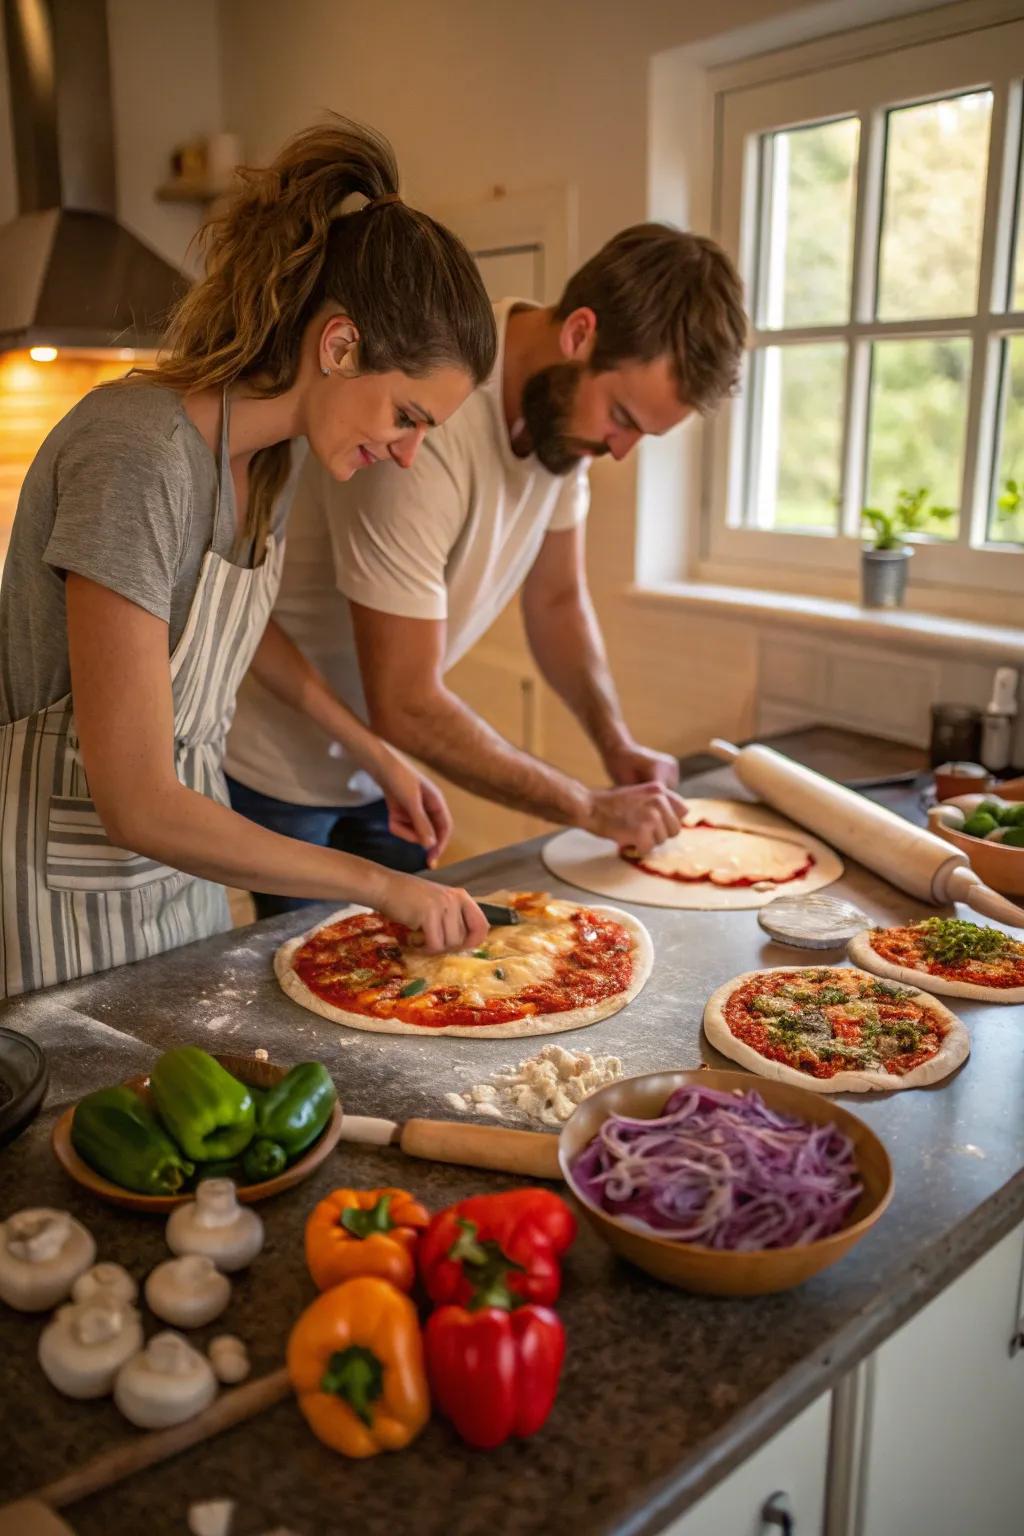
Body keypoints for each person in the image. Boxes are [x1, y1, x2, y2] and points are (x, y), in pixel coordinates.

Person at [0, 116, 498, 998]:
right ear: (340, 345)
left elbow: (235, 638)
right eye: (408, 417)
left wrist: (379, 757)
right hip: (53, 906)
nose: (409, 453)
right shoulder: (136, 455)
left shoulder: (264, 459)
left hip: (177, 889)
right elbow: (139, 802)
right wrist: (381, 885)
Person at [225, 223, 746, 917]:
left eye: (639, 435)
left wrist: (613, 742)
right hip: (280, 760)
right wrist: (587, 806)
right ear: (581, 333)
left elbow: (557, 601)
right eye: (621, 417)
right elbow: (407, 701)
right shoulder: (432, 420)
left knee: (416, 982)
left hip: (387, 767)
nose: (618, 451)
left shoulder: (564, 425)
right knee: (317, 988)